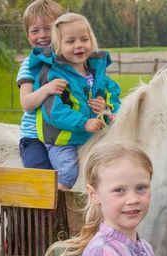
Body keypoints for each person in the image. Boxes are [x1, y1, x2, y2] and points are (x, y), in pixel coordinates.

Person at [41, 143, 160, 256]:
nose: (133, 199)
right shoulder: (105, 254)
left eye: (141, 188)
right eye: (119, 190)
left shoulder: (144, 247)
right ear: (94, 194)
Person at [29, 12, 121, 189]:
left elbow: (114, 94)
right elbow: (54, 112)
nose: (79, 46)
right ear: (58, 46)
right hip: (63, 141)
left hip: (91, 136)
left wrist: (108, 108)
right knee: (69, 171)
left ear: (91, 41)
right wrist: (84, 123)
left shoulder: (96, 73)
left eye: (84, 39)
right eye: (70, 41)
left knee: (113, 163)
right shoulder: (53, 75)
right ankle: (57, 209)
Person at [16, 0, 65, 169]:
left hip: (64, 135)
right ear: (28, 35)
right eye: (35, 30)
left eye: (48, 28)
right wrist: (47, 89)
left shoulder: (67, 62)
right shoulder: (30, 65)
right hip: (35, 138)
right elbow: (27, 103)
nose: (42, 35)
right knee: (41, 171)